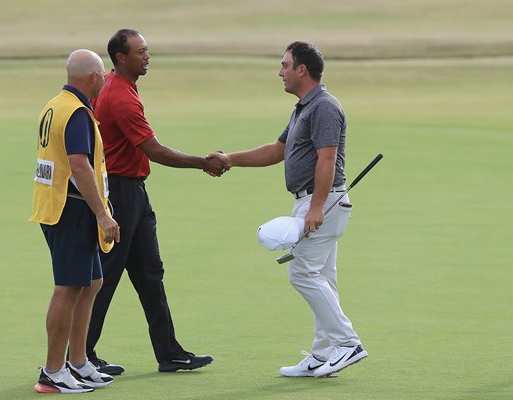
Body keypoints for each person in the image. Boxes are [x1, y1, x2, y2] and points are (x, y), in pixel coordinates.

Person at [207, 42, 368, 378]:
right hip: (312, 202)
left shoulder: (323, 107)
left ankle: (348, 343)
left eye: (284, 65)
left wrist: (317, 207)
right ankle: (323, 354)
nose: (280, 72)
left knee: (302, 273)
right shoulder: (302, 109)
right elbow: (276, 150)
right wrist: (230, 160)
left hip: (322, 202)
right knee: (323, 277)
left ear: (302, 70)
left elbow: (327, 158)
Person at [86, 29, 223, 374]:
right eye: (141, 52)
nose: (148, 56)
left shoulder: (116, 85)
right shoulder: (120, 96)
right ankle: (81, 355)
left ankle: (169, 352)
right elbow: (155, 150)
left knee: (149, 273)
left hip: (132, 191)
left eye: (148, 50)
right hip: (121, 193)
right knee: (107, 275)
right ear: (121, 57)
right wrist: (202, 163)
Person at [30, 49, 120, 393]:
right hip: (72, 209)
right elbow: (79, 165)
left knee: (91, 282)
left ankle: (79, 362)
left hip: (59, 205)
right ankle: (53, 372)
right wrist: (103, 213)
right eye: (103, 76)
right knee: (68, 288)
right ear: (94, 78)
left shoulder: (55, 104)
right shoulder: (78, 112)